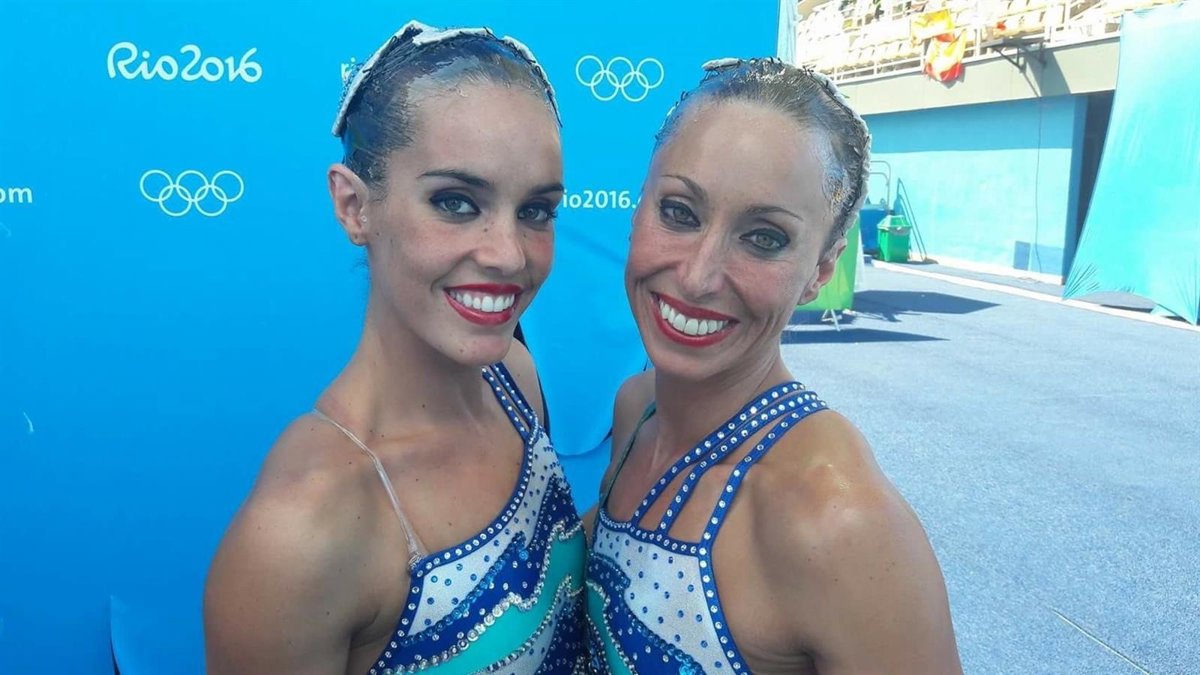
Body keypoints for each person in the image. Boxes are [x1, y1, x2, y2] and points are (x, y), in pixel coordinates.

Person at [204, 21, 589, 674]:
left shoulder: (514, 378)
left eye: (536, 211)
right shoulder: (301, 531)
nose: (508, 254)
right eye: (456, 202)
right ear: (354, 207)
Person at [586, 58, 962, 674]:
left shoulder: (837, 522)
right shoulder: (639, 410)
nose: (698, 276)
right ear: (638, 208)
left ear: (820, 271)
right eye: (679, 212)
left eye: (764, 238)